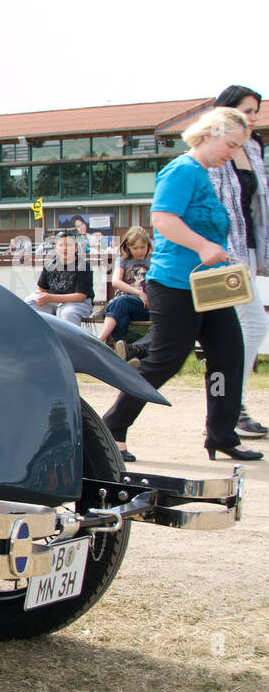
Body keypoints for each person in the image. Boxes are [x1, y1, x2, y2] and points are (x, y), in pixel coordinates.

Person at [101, 107, 261, 463]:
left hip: (208, 285)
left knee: (228, 356)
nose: (232, 153)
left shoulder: (204, 173)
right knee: (166, 360)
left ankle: (221, 433)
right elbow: (162, 219)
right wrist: (203, 246)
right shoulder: (181, 170)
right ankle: (113, 425)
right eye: (231, 144)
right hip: (174, 284)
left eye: (238, 148)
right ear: (210, 133)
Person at [208, 85, 269, 439]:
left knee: (227, 334)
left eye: (256, 113)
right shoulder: (216, 148)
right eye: (247, 111)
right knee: (249, 327)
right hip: (222, 254)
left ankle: (229, 408)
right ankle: (233, 407)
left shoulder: (253, 148)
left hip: (245, 250)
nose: (252, 118)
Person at [97, 226, 152, 352]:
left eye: (142, 247)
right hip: (126, 304)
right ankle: (123, 350)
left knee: (120, 303)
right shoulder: (123, 261)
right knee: (122, 314)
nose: (139, 251)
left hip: (143, 306)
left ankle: (99, 342)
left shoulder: (152, 262)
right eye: (135, 248)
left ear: (148, 245)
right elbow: (116, 281)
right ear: (128, 247)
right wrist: (138, 292)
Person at [25, 231, 94, 325]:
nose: (65, 248)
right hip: (53, 301)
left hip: (76, 303)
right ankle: (38, 337)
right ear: (56, 248)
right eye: (61, 245)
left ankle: (69, 340)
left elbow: (80, 297)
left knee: (66, 313)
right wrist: (43, 298)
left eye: (69, 245)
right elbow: (41, 288)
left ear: (76, 247)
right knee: (29, 303)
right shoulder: (50, 264)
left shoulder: (83, 266)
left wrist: (51, 298)